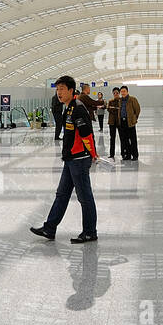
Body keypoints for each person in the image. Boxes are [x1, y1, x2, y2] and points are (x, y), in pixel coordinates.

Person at [30, 75, 98, 243]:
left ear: (70, 90)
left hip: (79, 159)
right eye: (57, 89)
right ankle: (49, 228)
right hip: (70, 159)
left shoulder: (78, 108)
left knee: (85, 197)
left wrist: (93, 154)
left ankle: (90, 232)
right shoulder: (68, 107)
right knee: (62, 194)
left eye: (61, 89)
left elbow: (86, 134)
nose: (58, 93)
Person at [117, 85, 141, 161]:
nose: (123, 93)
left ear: (127, 92)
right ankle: (128, 155)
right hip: (122, 122)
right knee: (125, 140)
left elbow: (137, 110)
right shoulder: (120, 100)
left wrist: (134, 119)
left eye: (124, 91)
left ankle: (135, 155)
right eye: (121, 92)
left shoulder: (132, 99)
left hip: (130, 122)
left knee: (133, 139)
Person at [106, 88, 120, 158]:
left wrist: (114, 108)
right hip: (112, 122)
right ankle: (112, 154)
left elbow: (119, 109)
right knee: (112, 138)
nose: (115, 94)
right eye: (114, 93)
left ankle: (124, 153)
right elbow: (109, 109)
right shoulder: (110, 101)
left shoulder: (121, 101)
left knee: (122, 138)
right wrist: (116, 109)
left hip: (119, 122)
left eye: (117, 93)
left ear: (119, 93)